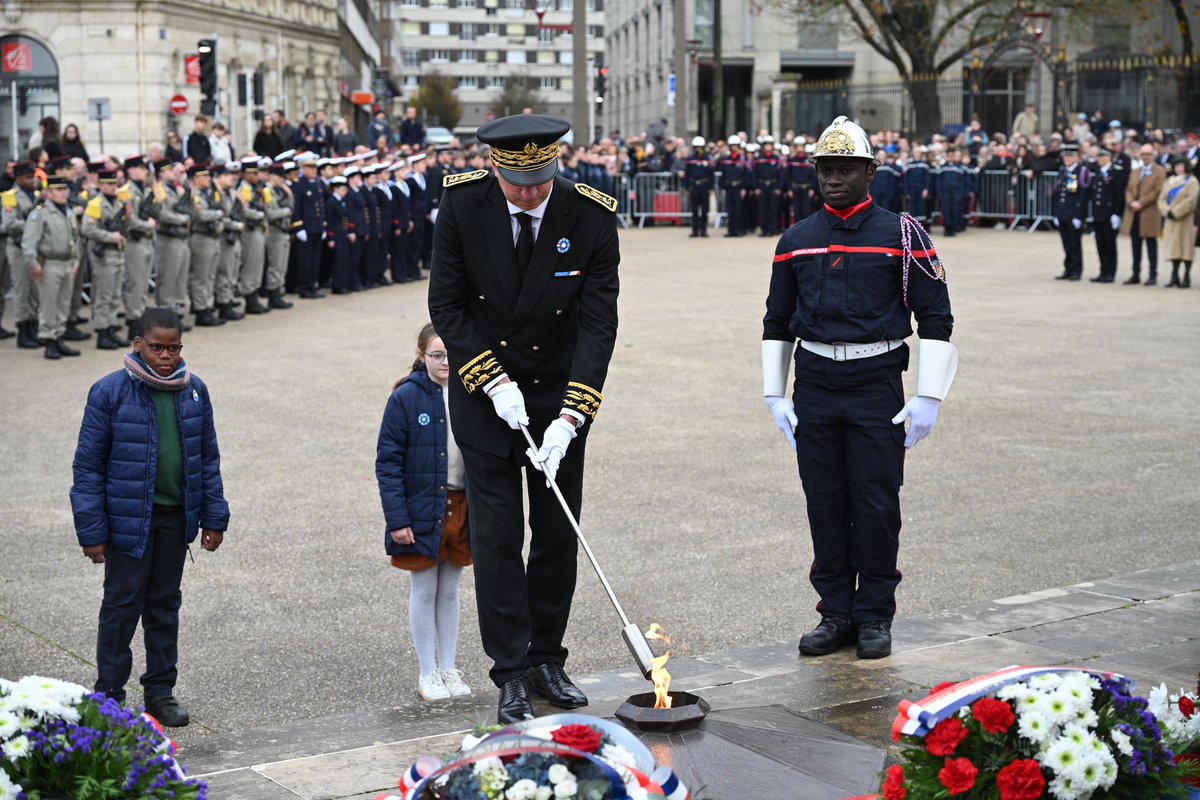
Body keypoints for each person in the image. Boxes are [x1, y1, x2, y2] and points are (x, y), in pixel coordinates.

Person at [428, 114, 620, 724]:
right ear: (494, 168)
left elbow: (598, 323)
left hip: (558, 395)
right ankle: (509, 670)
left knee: (557, 535)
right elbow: (447, 306)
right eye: (518, 184)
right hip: (487, 397)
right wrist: (491, 380)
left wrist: (572, 415)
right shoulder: (463, 206)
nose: (531, 194)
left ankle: (546, 658)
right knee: (499, 538)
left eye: (541, 182)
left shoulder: (589, 214)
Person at [762, 115, 956, 661]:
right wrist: (775, 393)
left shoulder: (903, 236)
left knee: (875, 504)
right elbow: (777, 319)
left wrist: (930, 396)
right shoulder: (795, 241)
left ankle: (873, 614)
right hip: (816, 386)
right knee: (825, 502)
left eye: (846, 168)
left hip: (875, 387)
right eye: (825, 169)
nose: (833, 178)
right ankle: (835, 612)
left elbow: (936, 317)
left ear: (871, 173)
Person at [70, 307, 229, 727]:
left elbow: (207, 459)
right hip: (127, 523)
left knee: (164, 607)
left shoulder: (194, 391)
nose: (165, 356)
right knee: (121, 608)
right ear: (138, 344)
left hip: (175, 520)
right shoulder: (109, 392)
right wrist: (92, 531)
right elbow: (87, 467)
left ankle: (160, 692)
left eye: (173, 348)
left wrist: (215, 516)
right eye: (157, 347)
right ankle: (108, 697)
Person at [376, 323, 474, 701]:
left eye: (451, 354)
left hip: (460, 506)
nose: (446, 361)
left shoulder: (470, 391)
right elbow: (388, 463)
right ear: (422, 356)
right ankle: (428, 672)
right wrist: (398, 519)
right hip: (421, 509)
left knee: (450, 590)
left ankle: (448, 666)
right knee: (424, 588)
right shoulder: (405, 397)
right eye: (437, 355)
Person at [24, 175, 82, 359]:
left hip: (67, 263)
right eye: (58, 190)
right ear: (48, 193)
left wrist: (76, 261)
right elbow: (28, 243)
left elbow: (75, 239)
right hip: (49, 263)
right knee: (49, 305)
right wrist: (34, 265)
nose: (63, 193)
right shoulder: (40, 213)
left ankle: (59, 337)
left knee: (63, 304)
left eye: (65, 189)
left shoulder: (69, 212)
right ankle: (49, 340)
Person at [81, 169, 131, 349]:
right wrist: (110, 237)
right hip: (103, 256)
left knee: (115, 295)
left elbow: (125, 226)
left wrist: (128, 215)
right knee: (104, 296)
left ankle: (111, 328)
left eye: (114, 183)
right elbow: (87, 229)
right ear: (100, 185)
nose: (112, 187)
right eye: (108, 184)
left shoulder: (118, 203)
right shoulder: (96, 204)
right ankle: (102, 332)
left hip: (117, 254)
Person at [2, 160, 42, 348]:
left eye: (33, 176)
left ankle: (33, 328)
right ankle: (23, 330)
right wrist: (32, 224)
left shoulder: (36, 195)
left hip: (33, 248)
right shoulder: (10, 196)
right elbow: (9, 223)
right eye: (28, 177)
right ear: (17, 178)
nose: (32, 180)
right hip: (17, 248)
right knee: (21, 290)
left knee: (34, 290)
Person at [122, 156, 158, 338]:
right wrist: (148, 225)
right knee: (135, 283)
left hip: (146, 241)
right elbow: (129, 220)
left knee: (143, 283)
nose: (145, 171)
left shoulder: (145, 190)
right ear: (131, 170)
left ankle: (140, 317)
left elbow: (155, 212)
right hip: (134, 241)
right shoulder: (126, 192)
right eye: (141, 167)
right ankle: (134, 321)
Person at [1122, 143, 1166, 285]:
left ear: (1153, 155)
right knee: (1135, 245)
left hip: (1149, 212)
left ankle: (1153, 274)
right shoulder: (1136, 171)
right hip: (1134, 213)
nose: (1145, 157)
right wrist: (1131, 202)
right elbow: (1129, 189)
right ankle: (1136, 274)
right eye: (1143, 154)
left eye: (1148, 154)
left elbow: (1157, 191)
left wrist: (1140, 203)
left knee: (1151, 245)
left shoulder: (1159, 171)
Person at [1051, 144, 1091, 281]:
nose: (1067, 158)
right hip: (1062, 212)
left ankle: (1076, 270)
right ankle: (1068, 269)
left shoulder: (1081, 171)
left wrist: (1079, 216)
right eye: (1065, 156)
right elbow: (1058, 194)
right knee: (1066, 243)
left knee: (1075, 244)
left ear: (1077, 157)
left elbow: (1083, 196)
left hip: (1074, 213)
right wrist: (1056, 213)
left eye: (1070, 156)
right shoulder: (1062, 170)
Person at [1157, 156, 1198, 289]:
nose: (1179, 169)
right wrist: (1167, 211)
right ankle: (1174, 275)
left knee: (1186, 248)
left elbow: (1191, 200)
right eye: (1177, 166)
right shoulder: (1169, 181)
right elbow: (1161, 199)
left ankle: (1186, 275)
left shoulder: (1191, 181)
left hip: (1185, 219)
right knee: (1173, 248)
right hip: (1171, 220)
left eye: (1181, 166)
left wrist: (1176, 212)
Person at [1089, 149, 1124, 283]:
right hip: (1098, 213)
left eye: (1101, 156)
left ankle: (1110, 272)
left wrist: (1117, 213)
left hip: (1109, 213)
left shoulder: (1115, 172)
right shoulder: (1098, 171)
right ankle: (1103, 271)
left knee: (1109, 244)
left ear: (1108, 158)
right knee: (1100, 244)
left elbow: (1118, 194)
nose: (1099, 159)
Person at [682, 136, 714, 237]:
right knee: (694, 210)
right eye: (697, 147)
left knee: (705, 209)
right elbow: (687, 174)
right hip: (694, 186)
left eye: (700, 147)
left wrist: (711, 188)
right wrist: (687, 188)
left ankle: (704, 230)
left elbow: (711, 174)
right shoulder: (690, 158)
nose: (698, 149)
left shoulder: (708, 157)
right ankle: (695, 230)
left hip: (705, 186)